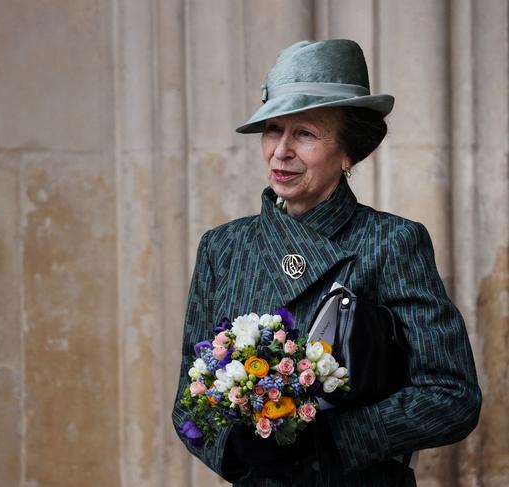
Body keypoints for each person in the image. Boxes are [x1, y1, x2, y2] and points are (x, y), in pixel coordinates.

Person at [171, 39, 481, 486]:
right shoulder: (223, 248)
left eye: (305, 134)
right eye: (274, 128)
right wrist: (235, 450)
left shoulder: (393, 242)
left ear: (348, 152)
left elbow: (453, 397)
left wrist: (334, 441)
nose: (281, 151)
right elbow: (188, 403)